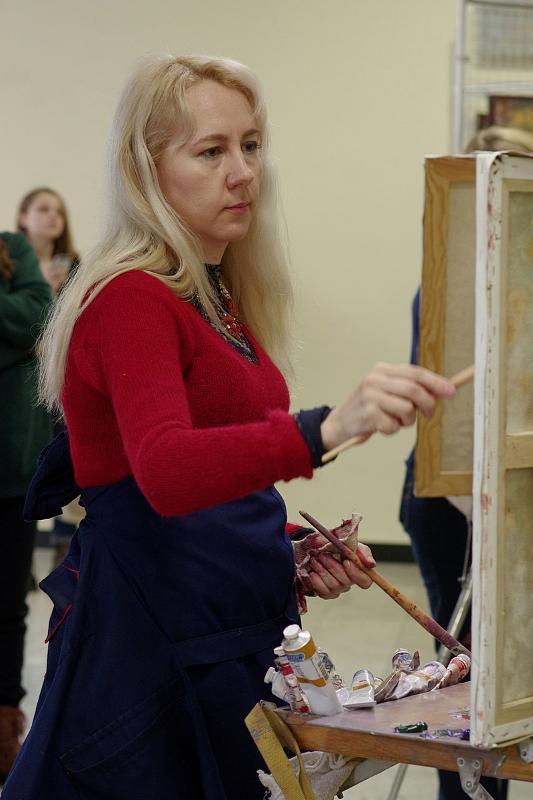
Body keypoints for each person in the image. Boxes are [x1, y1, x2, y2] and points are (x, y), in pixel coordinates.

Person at [2, 56, 454, 800]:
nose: (243, 173)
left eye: (250, 146)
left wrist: (280, 549)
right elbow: (164, 470)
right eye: (210, 152)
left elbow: (207, 479)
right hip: (152, 646)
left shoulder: (211, 293)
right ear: (146, 171)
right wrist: (327, 428)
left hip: (222, 631)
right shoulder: (130, 297)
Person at [400, 125, 533, 800]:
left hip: (514, 493)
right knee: (465, 679)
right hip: (448, 501)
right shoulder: (448, 282)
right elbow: (450, 414)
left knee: (510, 679)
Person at [0, 232, 53, 783]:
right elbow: (24, 332)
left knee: (9, 608)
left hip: (11, 477)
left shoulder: (12, 247)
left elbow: (39, 315)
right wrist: (16, 349)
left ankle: (3, 734)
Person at [17, 187, 83, 563]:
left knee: (67, 454)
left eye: (58, 210)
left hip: (62, 379)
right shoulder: (12, 268)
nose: (53, 216)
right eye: (43, 209)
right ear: (23, 217)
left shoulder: (75, 266)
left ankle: (64, 546)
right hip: (22, 379)